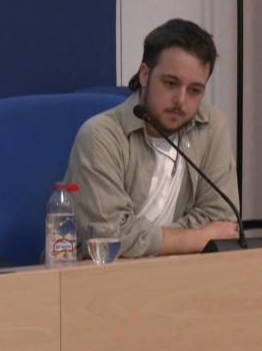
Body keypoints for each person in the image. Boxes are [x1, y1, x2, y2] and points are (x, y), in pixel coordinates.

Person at [63, 18, 239, 258]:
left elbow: (223, 221)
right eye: (170, 83)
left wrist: (144, 238)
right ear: (145, 74)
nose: (181, 100)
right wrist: (199, 237)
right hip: (100, 278)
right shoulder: (100, 136)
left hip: (181, 272)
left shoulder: (211, 126)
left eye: (195, 90)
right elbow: (109, 238)